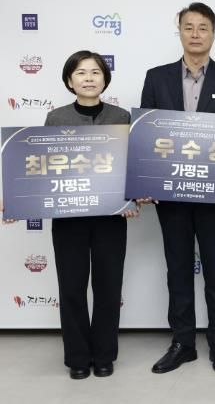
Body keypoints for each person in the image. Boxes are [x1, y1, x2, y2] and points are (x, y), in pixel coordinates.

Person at [140, 2, 215, 374]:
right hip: (170, 193)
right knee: (178, 270)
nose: (196, 34)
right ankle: (183, 343)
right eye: (189, 27)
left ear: (213, 33)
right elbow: (147, 133)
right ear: (180, 31)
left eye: (203, 27)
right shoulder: (156, 78)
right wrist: (146, 180)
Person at [46, 50, 136, 379]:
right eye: (81, 73)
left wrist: (132, 199)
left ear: (104, 79)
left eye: (95, 72)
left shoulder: (121, 116)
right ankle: (77, 358)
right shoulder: (56, 119)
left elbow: (132, 165)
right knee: (71, 287)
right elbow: (42, 167)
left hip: (110, 217)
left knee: (108, 287)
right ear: (70, 81)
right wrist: (17, 200)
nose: (88, 78)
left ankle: (104, 355)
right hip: (68, 218)